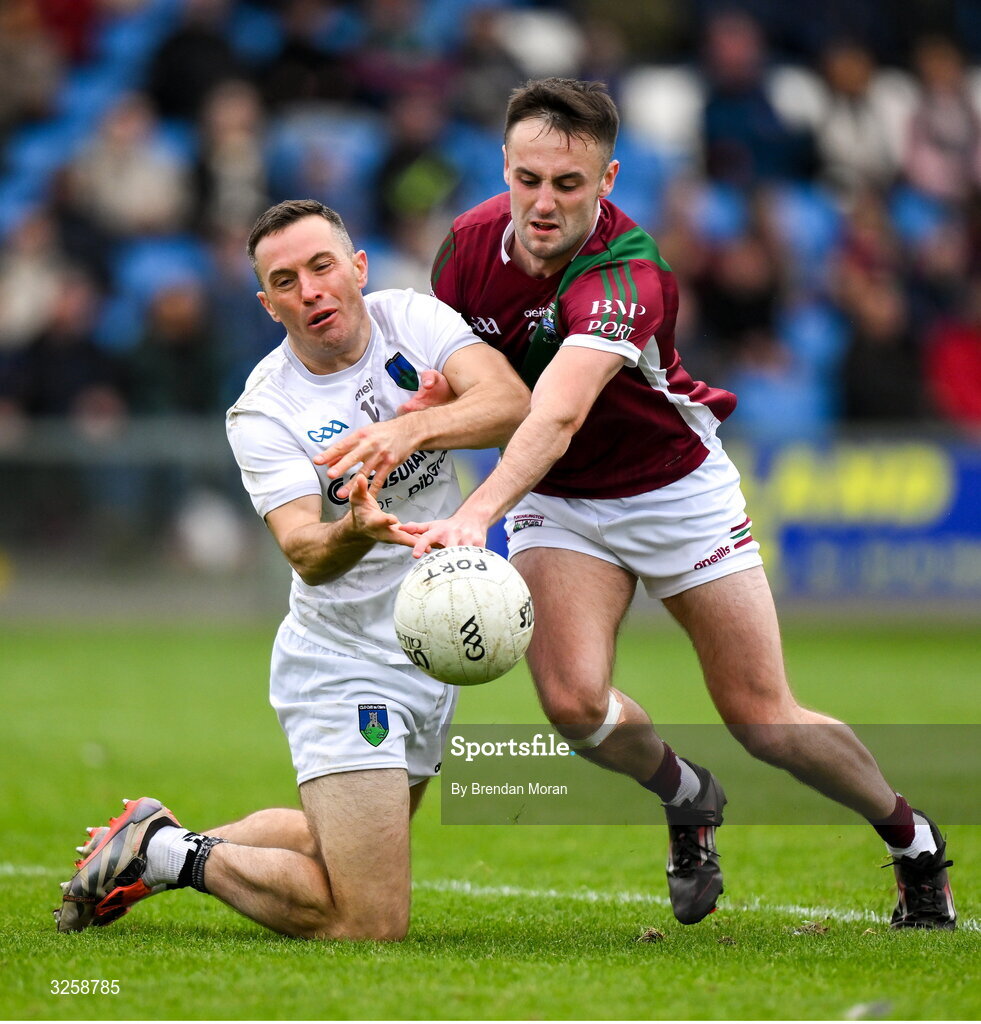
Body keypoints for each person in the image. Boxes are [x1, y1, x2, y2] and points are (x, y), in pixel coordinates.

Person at [381, 77, 955, 929]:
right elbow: (488, 390)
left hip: (673, 490)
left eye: (568, 185)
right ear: (503, 166)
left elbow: (559, 410)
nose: (543, 203)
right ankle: (686, 797)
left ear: (606, 180)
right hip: (562, 498)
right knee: (573, 705)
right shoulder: (463, 249)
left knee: (764, 720)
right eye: (528, 179)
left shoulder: (627, 271)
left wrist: (477, 514)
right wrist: (432, 409)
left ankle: (912, 840)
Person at [54, 199, 529, 940]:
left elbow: (511, 402)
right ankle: (168, 852)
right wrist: (357, 530)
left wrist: (410, 429)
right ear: (267, 304)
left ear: (356, 269)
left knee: (323, 845)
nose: (309, 288)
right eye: (285, 279)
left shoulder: (412, 319)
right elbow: (305, 551)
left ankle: (147, 844)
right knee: (369, 919)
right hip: (345, 664)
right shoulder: (263, 411)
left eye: (321, 266)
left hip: (425, 646)